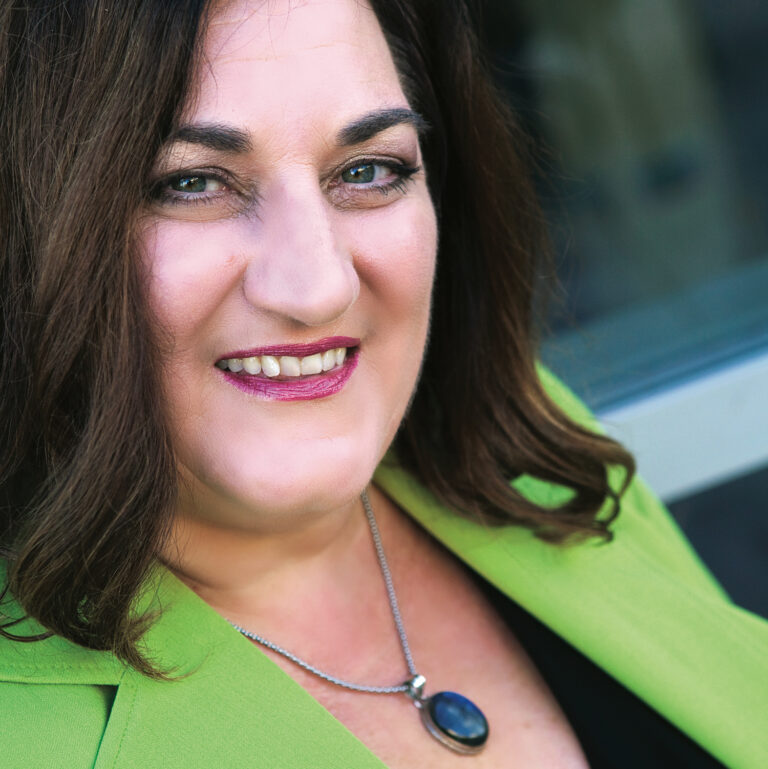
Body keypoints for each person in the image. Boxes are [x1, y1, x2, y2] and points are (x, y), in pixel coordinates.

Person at [0, 1, 765, 767]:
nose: (318, 286)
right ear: (31, 230)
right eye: (195, 182)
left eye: (367, 171)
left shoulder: (522, 449)